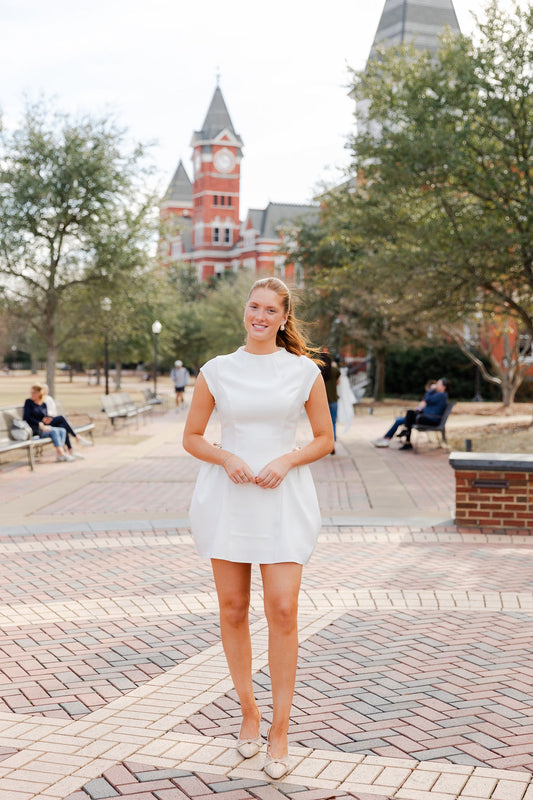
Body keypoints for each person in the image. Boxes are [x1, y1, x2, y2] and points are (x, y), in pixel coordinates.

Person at [183, 277, 333, 780]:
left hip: (280, 499)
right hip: (229, 499)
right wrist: (226, 457)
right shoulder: (218, 371)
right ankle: (249, 713)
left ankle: (281, 728)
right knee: (232, 609)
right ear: (244, 311)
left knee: (284, 610)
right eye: (254, 306)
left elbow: (324, 439)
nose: (261, 315)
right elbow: (192, 437)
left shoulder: (303, 372)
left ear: (284, 317)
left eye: (271, 309)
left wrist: (287, 461)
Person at [373, 378, 448, 451]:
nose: (436, 385)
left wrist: (431, 389)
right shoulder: (439, 395)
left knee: (408, 415)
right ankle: (399, 436)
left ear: (443, 387)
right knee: (408, 415)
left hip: (430, 419)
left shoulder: (441, 395)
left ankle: (398, 436)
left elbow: (427, 398)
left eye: (438, 384)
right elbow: (428, 403)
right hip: (426, 417)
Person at [23, 384, 92, 462]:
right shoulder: (28, 402)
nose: (31, 394)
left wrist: (46, 420)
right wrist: (39, 423)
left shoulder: (43, 404)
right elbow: (26, 417)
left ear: (39, 393)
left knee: (62, 429)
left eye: (34, 392)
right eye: (31, 392)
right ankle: (64, 451)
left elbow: (44, 417)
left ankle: (64, 452)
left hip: (45, 426)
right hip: (35, 429)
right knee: (57, 426)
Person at [319, 352, 340, 454]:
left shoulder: (319, 372)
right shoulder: (335, 370)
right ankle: (332, 443)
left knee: (323, 424)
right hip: (333, 400)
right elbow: (338, 382)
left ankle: (324, 445)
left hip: (322, 401)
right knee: (333, 423)